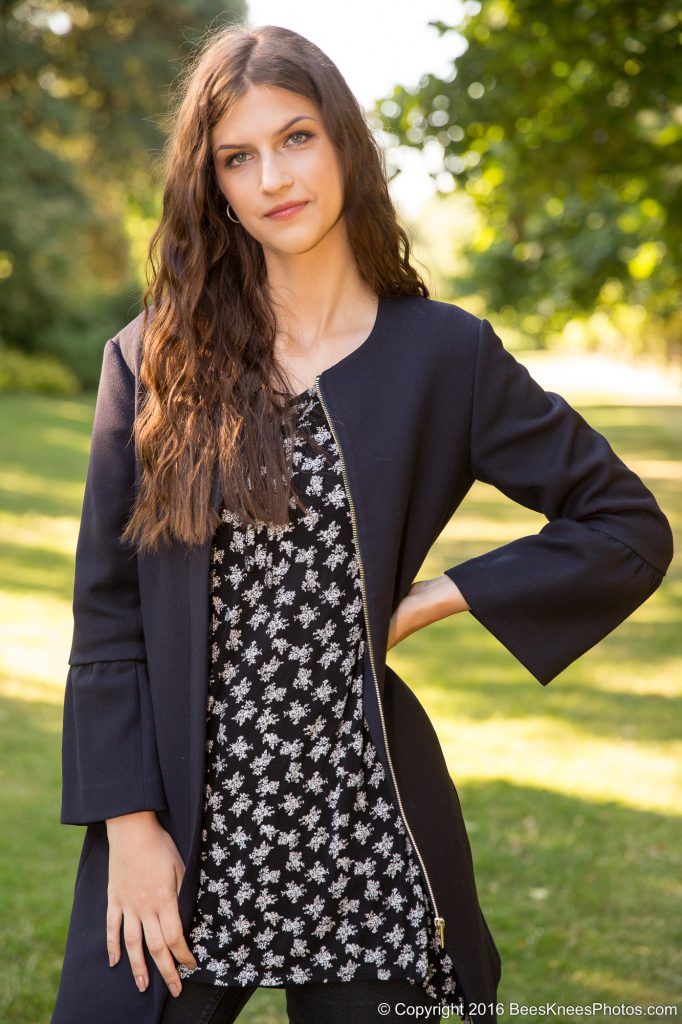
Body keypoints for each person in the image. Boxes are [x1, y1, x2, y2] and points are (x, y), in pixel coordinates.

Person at [50, 21, 674, 1024]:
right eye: (237, 157)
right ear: (211, 182)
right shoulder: (152, 359)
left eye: (296, 137)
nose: (272, 178)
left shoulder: (444, 356)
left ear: (344, 141)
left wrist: (432, 598)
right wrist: (128, 825)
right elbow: (109, 614)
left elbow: (624, 523)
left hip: (359, 816)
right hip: (179, 813)